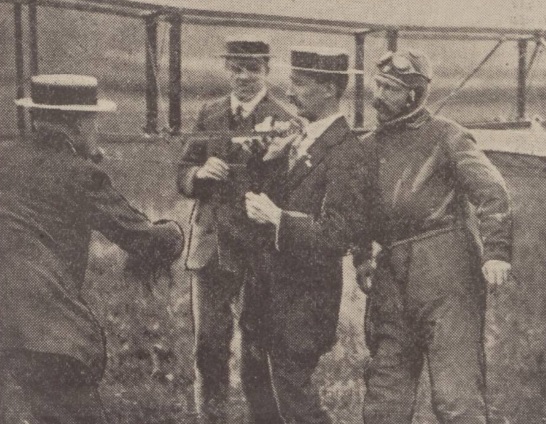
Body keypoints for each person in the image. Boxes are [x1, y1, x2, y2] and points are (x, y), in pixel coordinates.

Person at [0, 74, 184, 424]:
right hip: (41, 329)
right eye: (94, 120)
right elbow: (144, 238)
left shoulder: (5, 158)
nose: (96, 129)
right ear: (79, 124)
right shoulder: (82, 174)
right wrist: (174, 231)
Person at [359, 49, 513, 424]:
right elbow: (357, 209)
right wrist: (362, 255)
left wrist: (496, 251)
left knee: (455, 393)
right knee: (385, 390)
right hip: (390, 273)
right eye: (378, 86)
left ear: (413, 95)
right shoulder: (368, 146)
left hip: (446, 268)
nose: (377, 97)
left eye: (389, 89)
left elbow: (492, 191)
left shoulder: (447, 135)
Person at [243, 47, 376, 424]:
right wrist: (264, 161)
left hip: (304, 301)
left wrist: (279, 219)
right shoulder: (298, 139)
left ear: (330, 89)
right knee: (261, 393)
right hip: (267, 292)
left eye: (300, 84)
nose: (289, 92)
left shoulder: (345, 152)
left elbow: (337, 234)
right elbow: (264, 198)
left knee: (294, 399)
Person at [177, 36, 293, 423]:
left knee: (258, 345)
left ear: (267, 70)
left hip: (258, 248)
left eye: (252, 69)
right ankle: (212, 416)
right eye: (236, 68)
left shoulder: (284, 118)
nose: (243, 77)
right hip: (210, 244)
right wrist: (199, 173)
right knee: (209, 343)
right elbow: (183, 171)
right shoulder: (209, 113)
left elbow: (291, 187)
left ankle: (265, 417)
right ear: (227, 70)